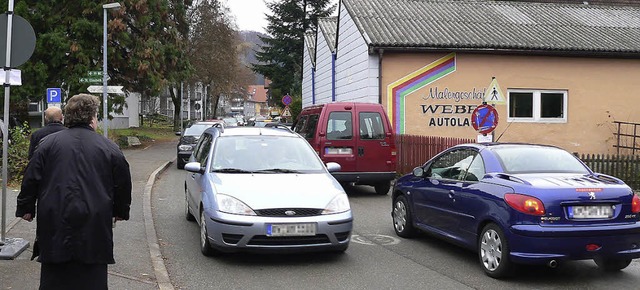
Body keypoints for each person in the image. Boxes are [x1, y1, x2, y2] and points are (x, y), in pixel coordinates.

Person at [16, 93, 132, 290]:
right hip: (94, 221)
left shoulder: (47, 145)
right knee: (92, 277)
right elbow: (122, 183)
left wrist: (26, 207)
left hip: (55, 218)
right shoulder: (109, 148)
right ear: (92, 118)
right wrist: (120, 211)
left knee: (54, 278)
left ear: (68, 116)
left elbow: (31, 177)